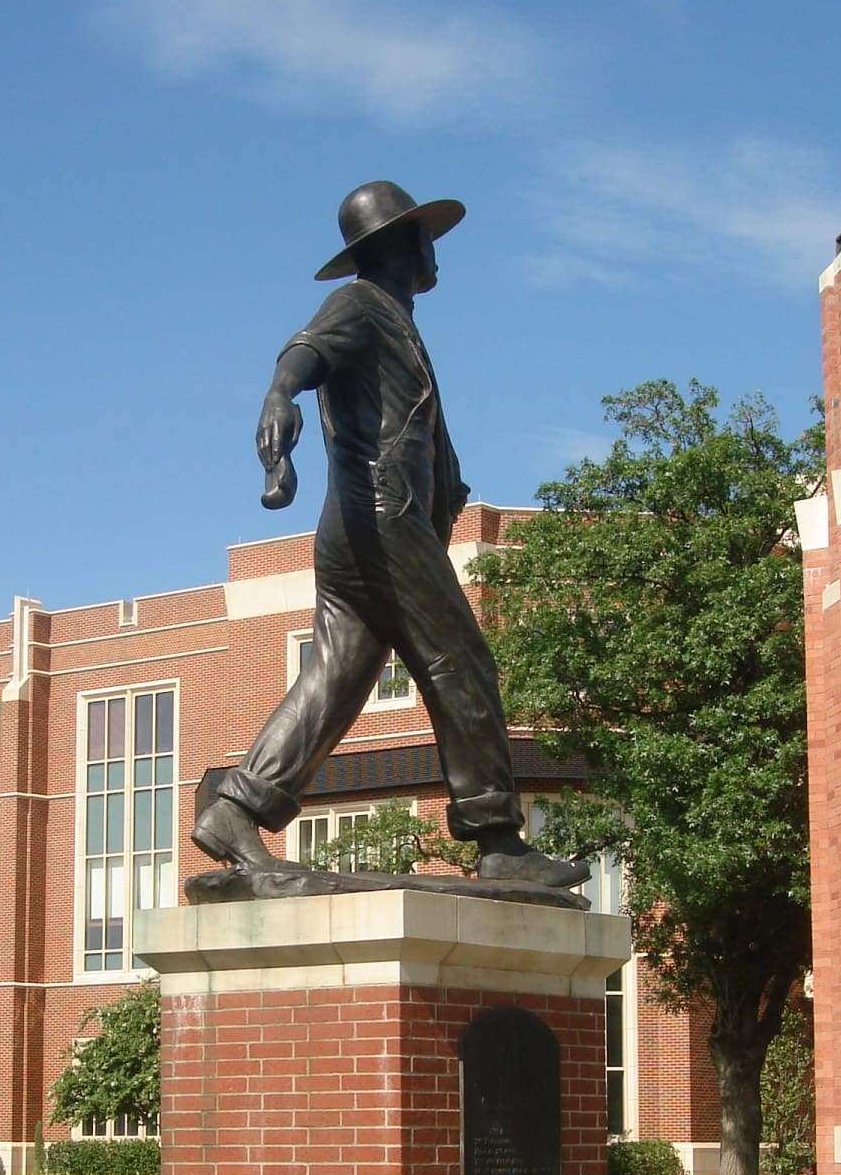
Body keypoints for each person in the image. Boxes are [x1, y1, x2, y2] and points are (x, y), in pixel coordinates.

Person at [191, 181, 590, 893]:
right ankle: (497, 836)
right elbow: (302, 353)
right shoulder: (361, 304)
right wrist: (280, 396)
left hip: (364, 524)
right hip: (380, 518)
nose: (433, 249)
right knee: (460, 661)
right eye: (421, 235)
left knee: (338, 674)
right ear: (396, 246)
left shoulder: (396, 321)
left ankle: (238, 807)